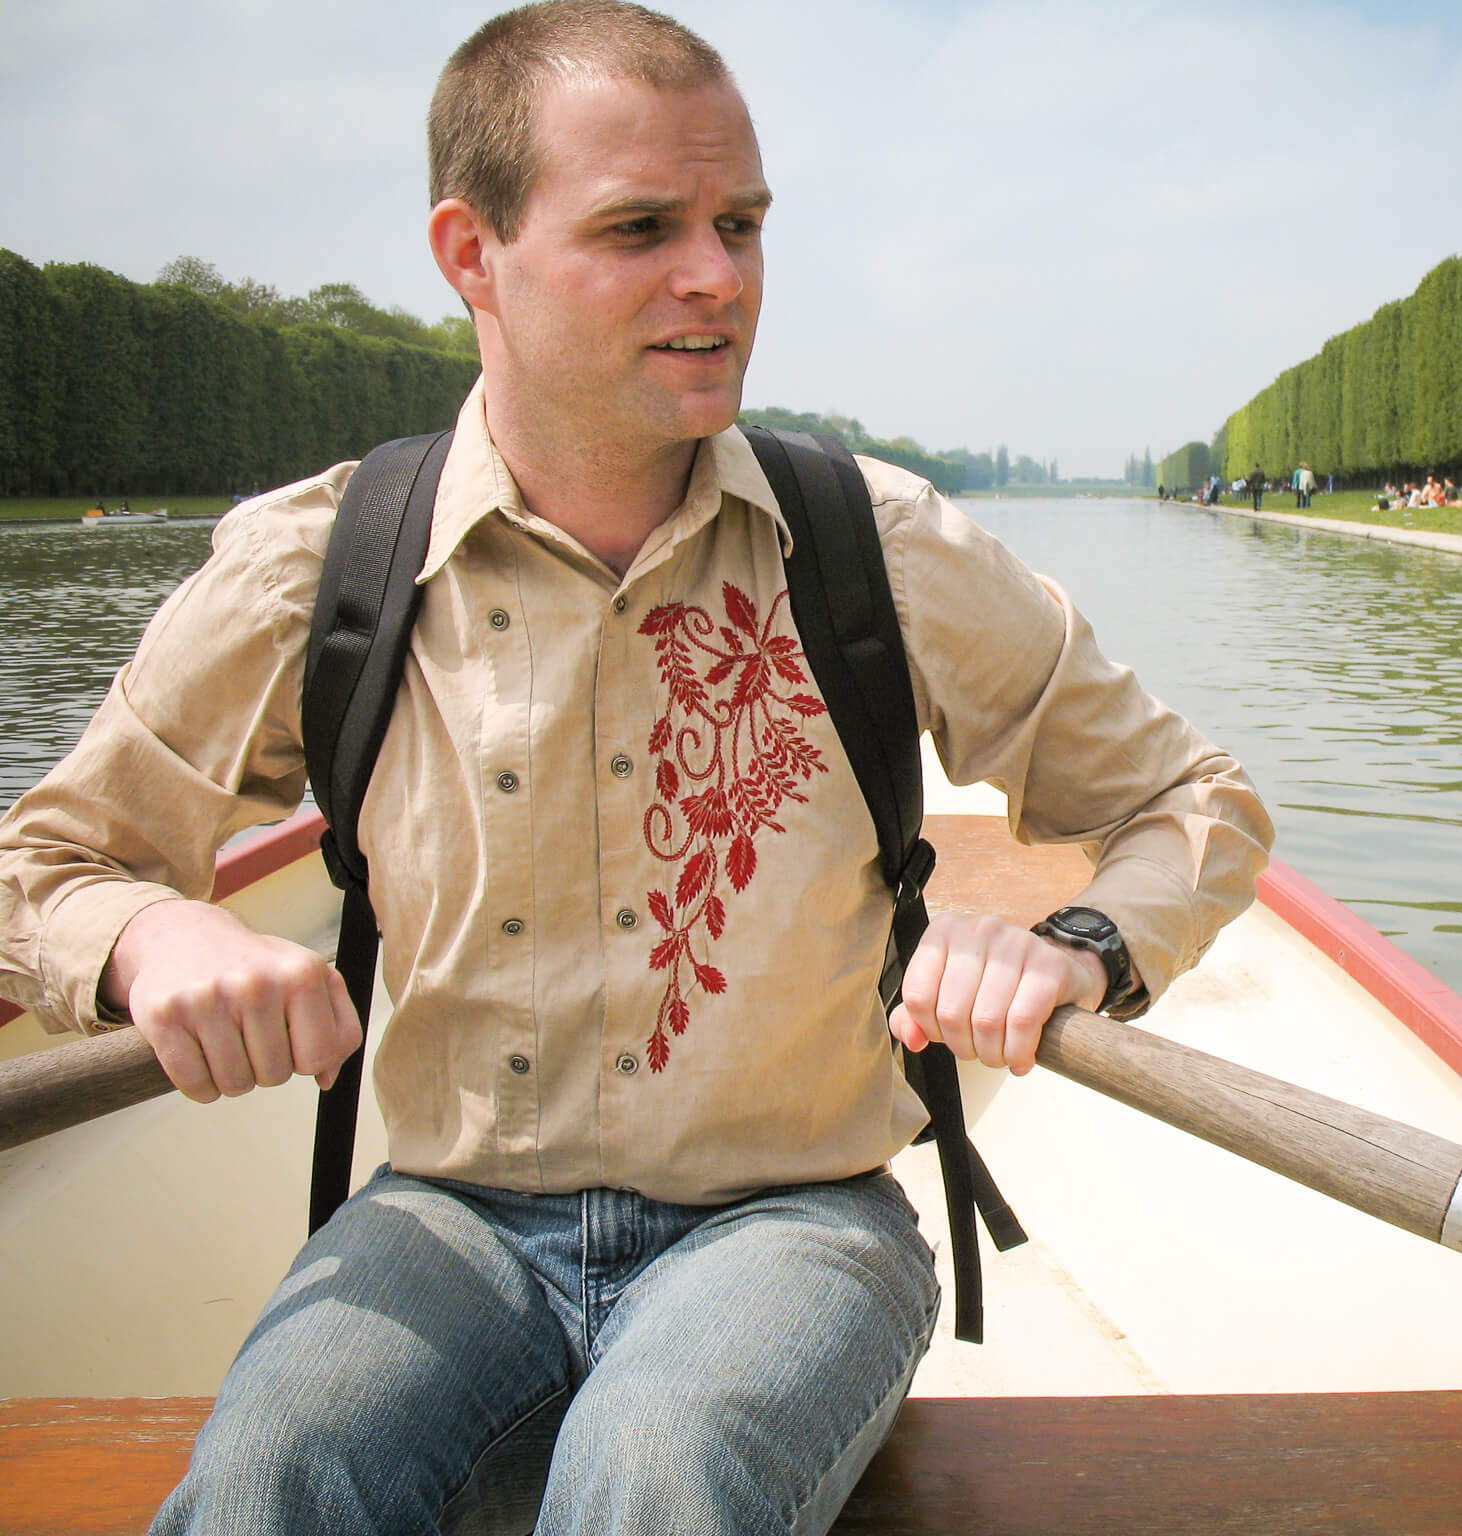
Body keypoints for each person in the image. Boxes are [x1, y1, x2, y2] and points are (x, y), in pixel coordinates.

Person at [0, 6, 1273, 1532]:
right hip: (443, 1215)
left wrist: (1079, 947)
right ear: (471, 255)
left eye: (740, 224)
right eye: (643, 228)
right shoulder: (313, 570)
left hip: (795, 1220)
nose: (721, 277)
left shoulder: (880, 547)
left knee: (661, 1475)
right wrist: (153, 934)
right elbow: (50, 862)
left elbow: (1193, 802)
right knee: (270, 1475)